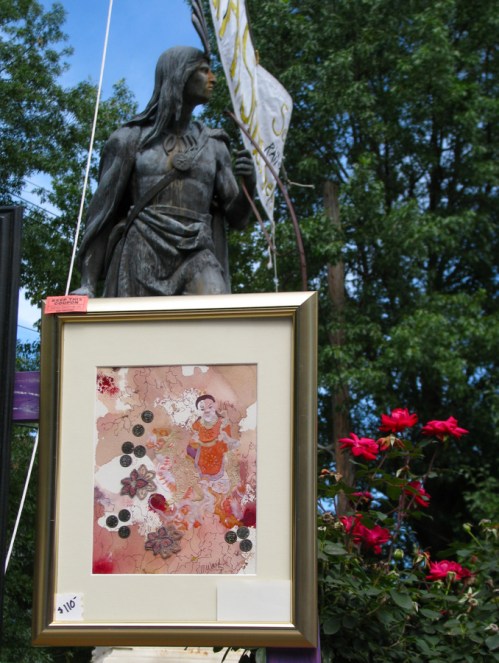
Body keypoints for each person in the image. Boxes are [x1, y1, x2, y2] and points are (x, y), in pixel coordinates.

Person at [73, 46, 255, 297]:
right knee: (138, 321)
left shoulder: (214, 145)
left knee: (214, 303)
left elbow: (238, 218)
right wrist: (88, 284)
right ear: (180, 75)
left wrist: (249, 185)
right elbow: (103, 214)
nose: (213, 79)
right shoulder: (129, 140)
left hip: (197, 250)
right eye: (204, 71)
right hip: (142, 248)